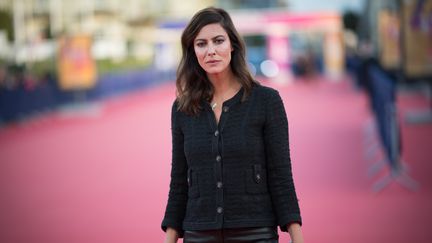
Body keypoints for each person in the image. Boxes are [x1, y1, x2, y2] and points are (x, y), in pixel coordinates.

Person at [162, 7, 304, 243]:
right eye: (201, 44)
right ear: (192, 51)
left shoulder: (266, 101)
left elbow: (281, 176)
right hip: (198, 233)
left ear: (233, 45)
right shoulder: (182, 109)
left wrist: (296, 237)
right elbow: (179, 182)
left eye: (218, 41)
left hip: (255, 232)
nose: (211, 51)